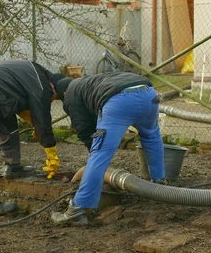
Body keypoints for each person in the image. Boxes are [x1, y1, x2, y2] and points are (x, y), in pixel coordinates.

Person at [50, 72, 166, 226]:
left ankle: (77, 209)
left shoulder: (70, 94)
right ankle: (160, 185)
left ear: (63, 93)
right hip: (148, 93)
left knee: (100, 154)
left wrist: (94, 153)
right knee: (151, 137)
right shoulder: (89, 81)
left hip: (120, 100)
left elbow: (84, 129)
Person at [0, 59, 66, 215]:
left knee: (8, 126)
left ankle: (13, 166)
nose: (51, 100)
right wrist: (51, 150)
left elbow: (22, 104)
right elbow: (42, 118)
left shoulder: (37, 73)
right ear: (53, 87)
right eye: (54, 98)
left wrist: (34, 124)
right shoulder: (43, 85)